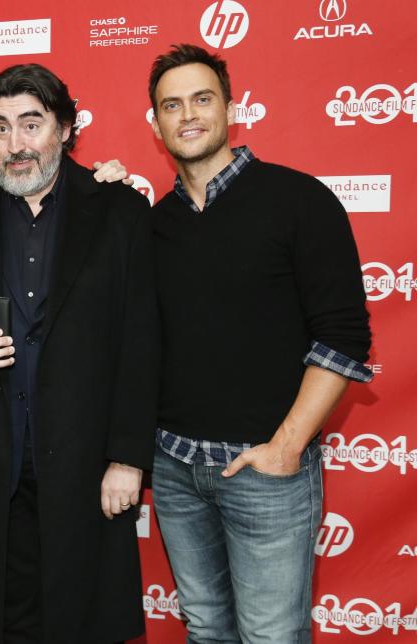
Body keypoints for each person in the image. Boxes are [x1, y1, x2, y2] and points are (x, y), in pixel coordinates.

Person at [0, 64, 159, 643]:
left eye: (31, 124)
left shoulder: (118, 212)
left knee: (82, 622)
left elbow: (140, 344)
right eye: (0, 127)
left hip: (88, 467)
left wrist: (127, 458)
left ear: (65, 127)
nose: (16, 144)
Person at [147, 44, 372, 643]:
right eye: (172, 105)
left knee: (272, 636)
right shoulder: (150, 224)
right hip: (173, 468)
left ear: (231, 108)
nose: (187, 114)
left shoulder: (299, 201)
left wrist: (286, 447)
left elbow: (344, 338)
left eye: (202, 99)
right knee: (206, 630)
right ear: (155, 122)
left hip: (265, 473)